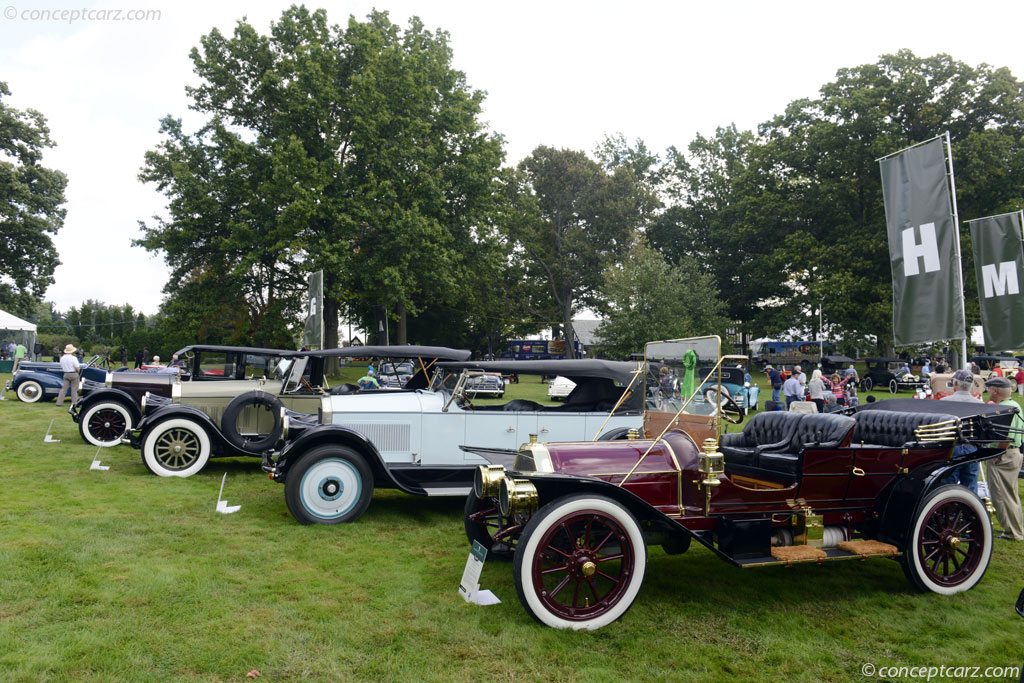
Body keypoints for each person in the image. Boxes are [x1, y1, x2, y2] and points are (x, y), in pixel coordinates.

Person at [982, 377, 1024, 540]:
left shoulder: (1005, 409)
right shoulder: (1014, 405)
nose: (987, 391)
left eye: (989, 388)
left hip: (1003, 455)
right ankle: (1014, 529)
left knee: (1001, 495)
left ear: (995, 390)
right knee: (1010, 495)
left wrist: (996, 455)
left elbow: (1006, 437)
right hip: (1012, 454)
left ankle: (1012, 532)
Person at [940, 368, 982, 493]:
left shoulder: (944, 402)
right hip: (971, 447)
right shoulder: (979, 404)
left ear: (956, 383)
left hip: (951, 448)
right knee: (971, 486)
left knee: (947, 486)